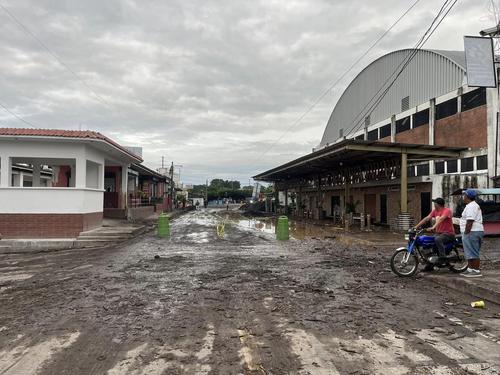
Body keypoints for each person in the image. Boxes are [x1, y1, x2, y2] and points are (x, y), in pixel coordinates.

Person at [415, 197, 455, 264]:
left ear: (438, 204)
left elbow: (441, 219)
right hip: (438, 233)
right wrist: (416, 226)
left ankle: (443, 257)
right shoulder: (435, 211)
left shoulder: (447, 210)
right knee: (427, 244)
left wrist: (433, 227)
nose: (433, 204)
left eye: (434, 203)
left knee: (438, 239)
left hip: (448, 234)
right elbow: (427, 218)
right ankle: (429, 265)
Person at [460, 189, 484, 278]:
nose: (463, 197)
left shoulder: (471, 206)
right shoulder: (471, 205)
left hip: (472, 231)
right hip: (472, 231)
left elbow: (470, 221)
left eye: (464, 195)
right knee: (469, 251)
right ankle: (470, 269)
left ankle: (476, 270)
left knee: (473, 251)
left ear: (467, 196)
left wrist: (466, 232)